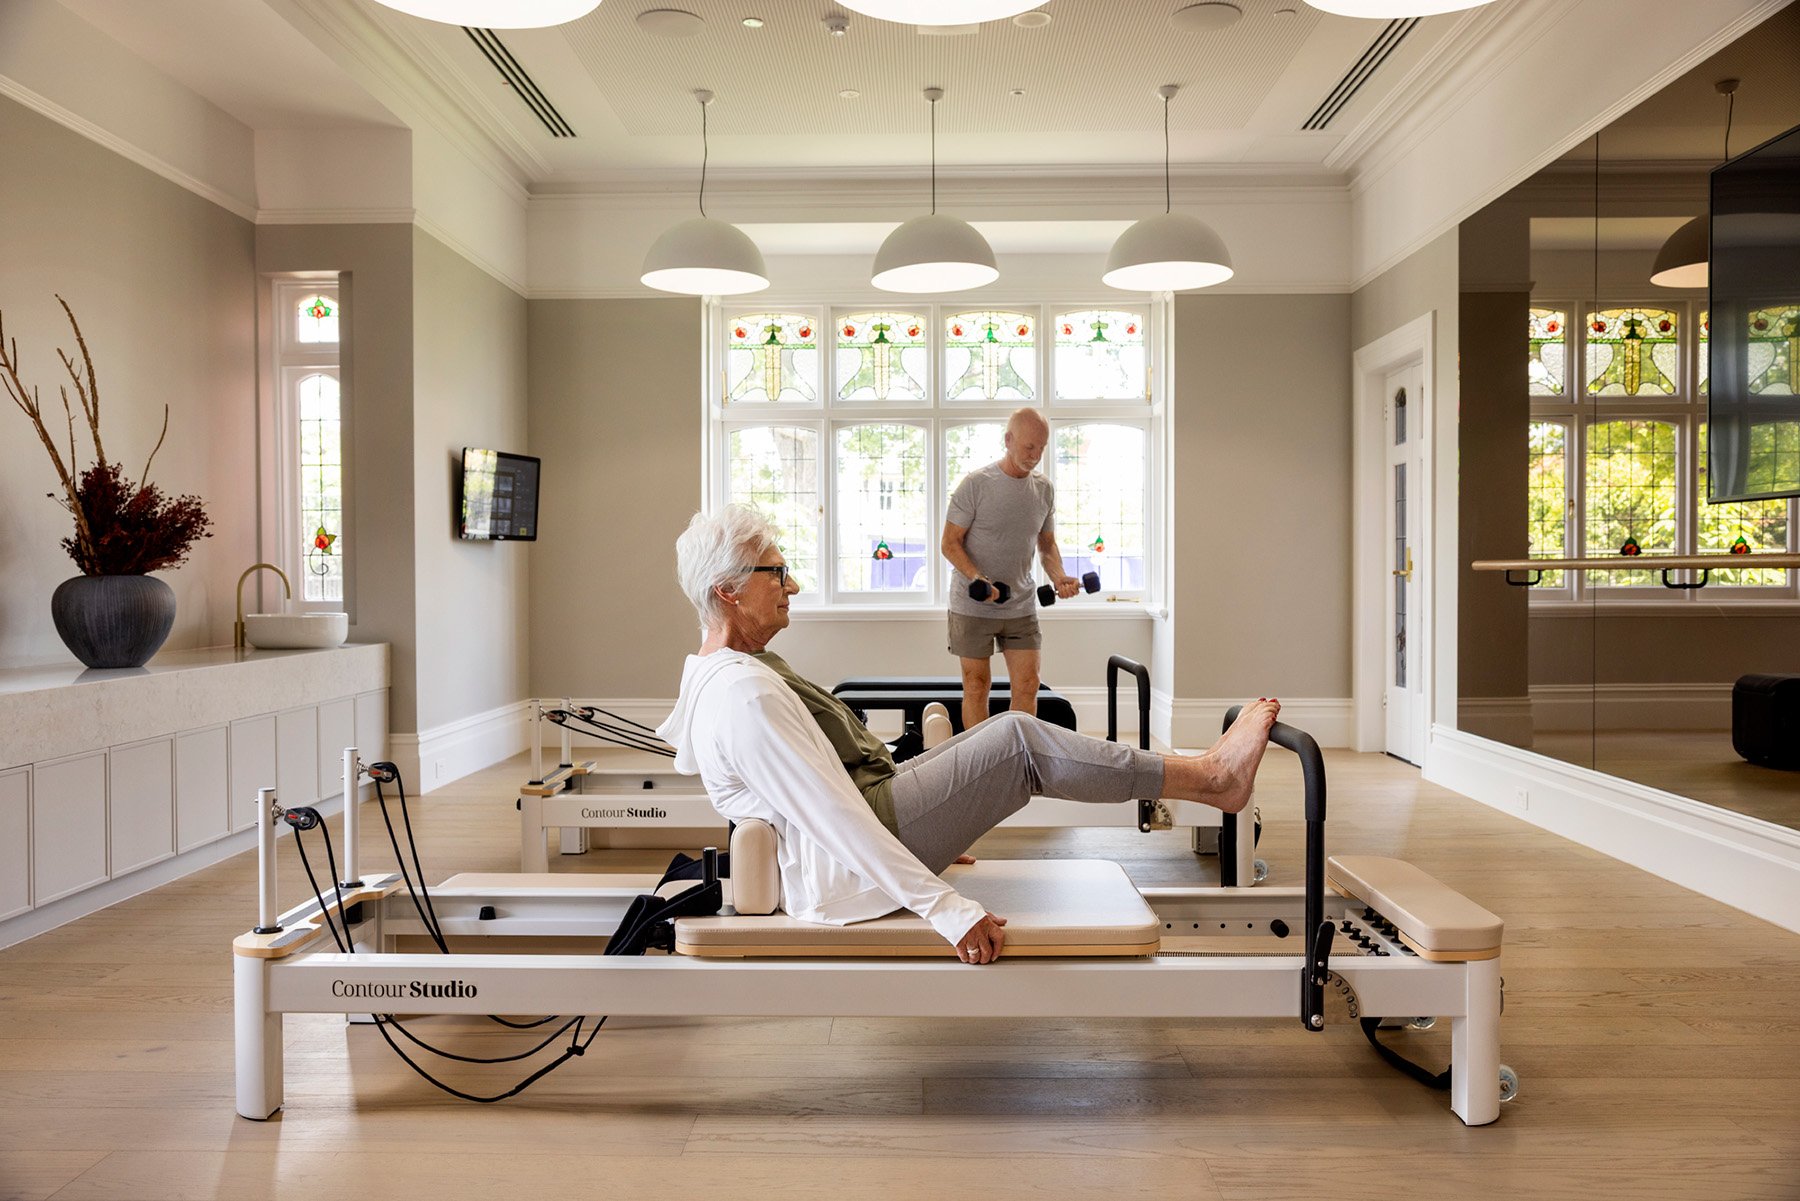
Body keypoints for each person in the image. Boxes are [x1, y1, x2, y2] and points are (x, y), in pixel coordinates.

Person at [657, 504, 1280, 965]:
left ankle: (1199, 775)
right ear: (729, 591)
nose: (792, 585)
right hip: (847, 869)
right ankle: (1211, 780)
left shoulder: (738, 670)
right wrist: (946, 909)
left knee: (1003, 736)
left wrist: (942, 816)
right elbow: (831, 814)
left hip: (876, 819)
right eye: (779, 571)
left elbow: (836, 788)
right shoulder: (743, 694)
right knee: (1018, 741)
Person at [941, 407, 1077, 732]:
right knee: (977, 685)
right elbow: (949, 543)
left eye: (1041, 448)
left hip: (1020, 603)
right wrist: (978, 579)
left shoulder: (1043, 489)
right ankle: (981, 763)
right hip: (972, 604)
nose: (1035, 455)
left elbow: (1046, 545)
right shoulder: (976, 484)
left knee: (1029, 684)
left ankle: (1018, 760)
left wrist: (1059, 576)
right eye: (1029, 447)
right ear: (1008, 440)